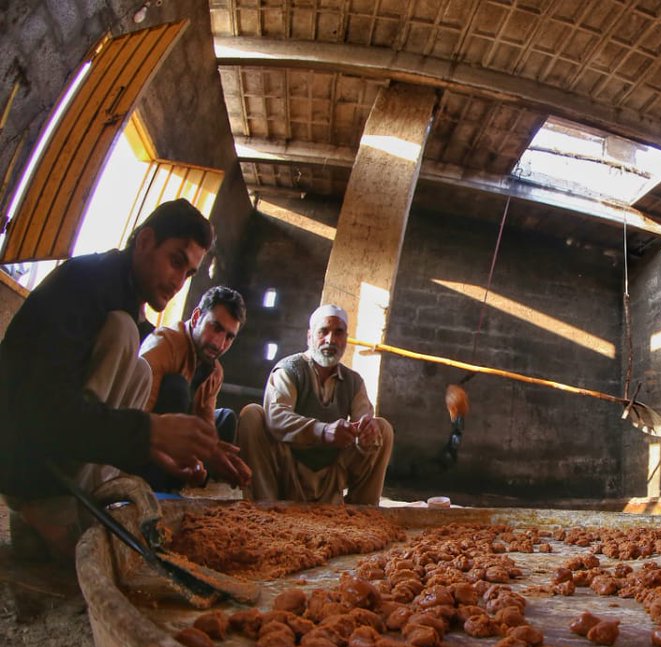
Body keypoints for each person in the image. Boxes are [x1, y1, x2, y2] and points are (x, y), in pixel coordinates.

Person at [0, 199, 237, 560]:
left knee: (138, 366)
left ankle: (76, 504)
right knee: (126, 336)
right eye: (176, 261)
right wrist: (152, 430)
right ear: (145, 241)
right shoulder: (85, 283)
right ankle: (44, 504)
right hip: (14, 445)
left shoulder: (129, 305)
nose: (178, 282)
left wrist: (160, 451)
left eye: (189, 273)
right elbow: (43, 409)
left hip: (48, 447)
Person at [237, 304, 394, 504]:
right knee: (252, 415)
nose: (331, 339)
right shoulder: (289, 370)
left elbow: (364, 421)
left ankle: (362, 513)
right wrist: (322, 431)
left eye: (338, 333)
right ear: (309, 336)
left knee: (383, 429)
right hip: (287, 471)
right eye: (323, 331)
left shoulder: (353, 381)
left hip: (332, 475)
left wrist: (366, 433)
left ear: (345, 339)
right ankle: (266, 507)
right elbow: (277, 418)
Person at [138, 285, 252, 490]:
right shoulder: (164, 344)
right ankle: (160, 485)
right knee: (177, 388)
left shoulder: (215, 371)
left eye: (229, 337)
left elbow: (205, 425)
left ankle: (190, 483)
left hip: (180, 444)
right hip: (147, 443)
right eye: (215, 328)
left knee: (225, 419)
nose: (219, 344)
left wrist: (215, 454)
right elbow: (137, 419)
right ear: (197, 316)